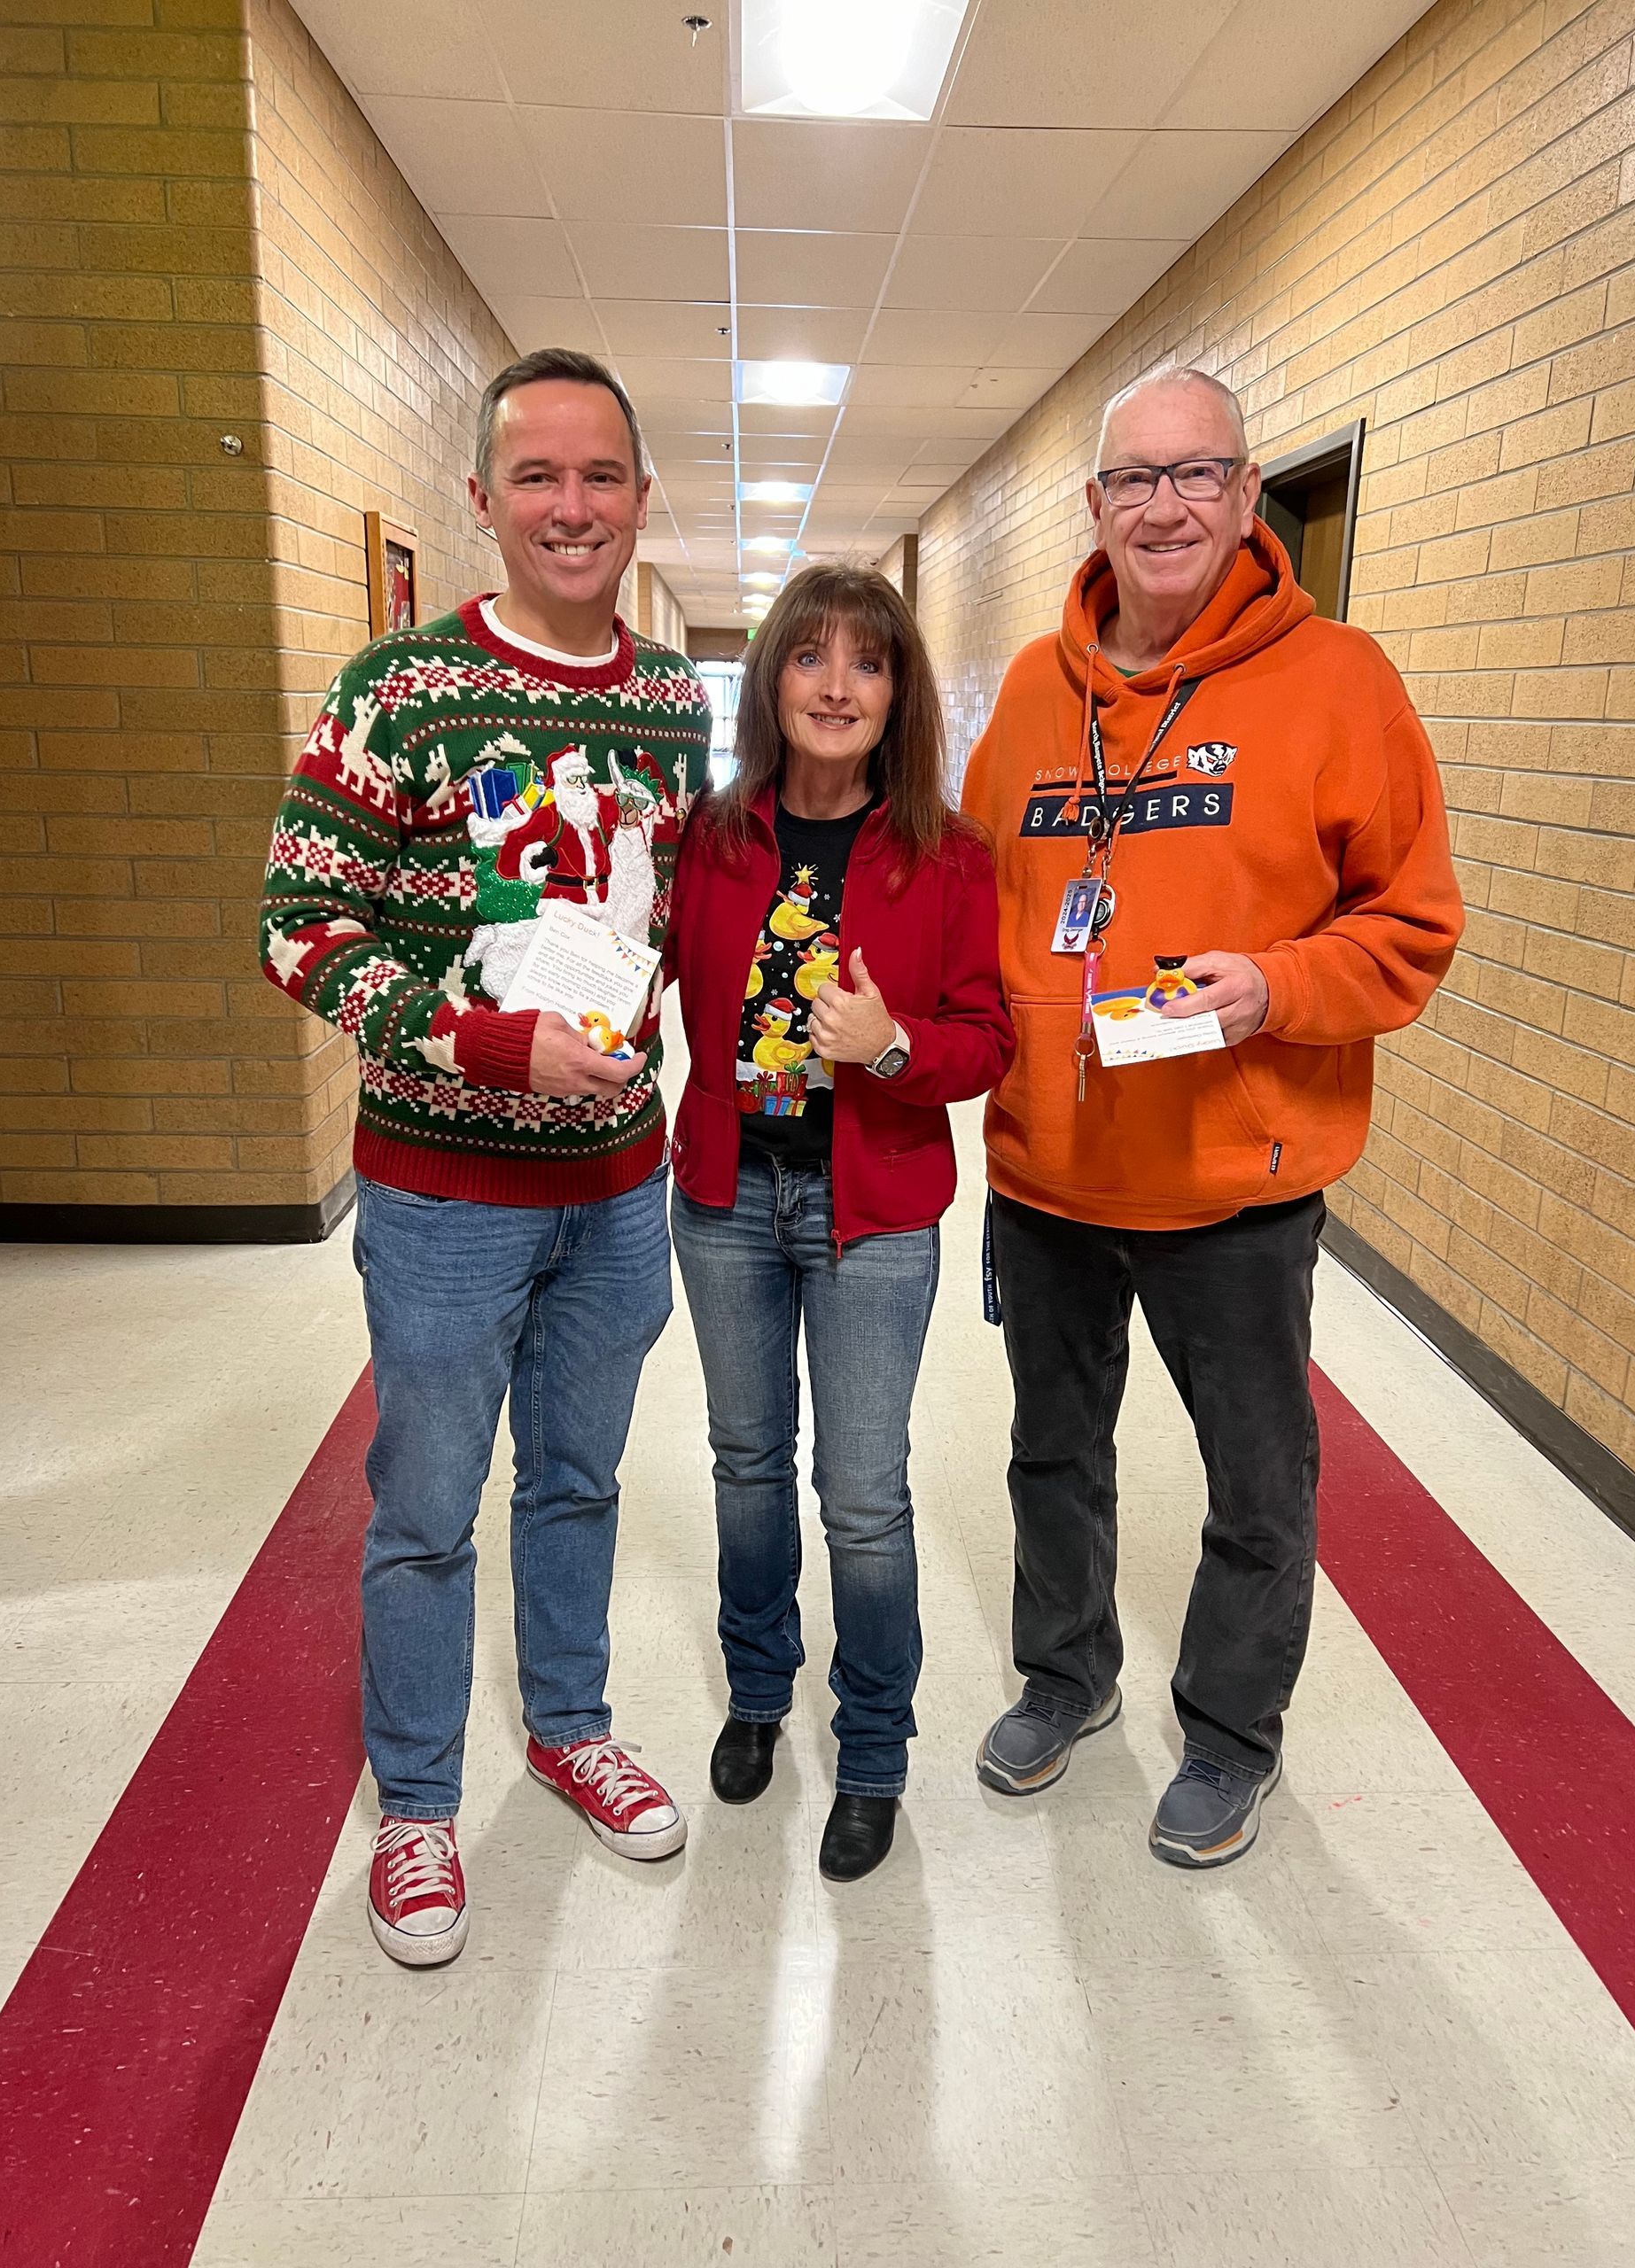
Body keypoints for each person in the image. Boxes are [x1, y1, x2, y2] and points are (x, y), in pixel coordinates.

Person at [963, 367, 1463, 1868]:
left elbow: (1416, 926)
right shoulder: (1038, 692)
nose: (1165, 506)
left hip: (1234, 1185)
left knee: (1258, 1479)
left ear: (1250, 501)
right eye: (1135, 480)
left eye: (1199, 476)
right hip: (1053, 1170)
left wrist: (1281, 987)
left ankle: (1234, 1733)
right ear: (1097, 505)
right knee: (1055, 1453)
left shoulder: (1342, 683)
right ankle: (1069, 1677)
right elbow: (974, 895)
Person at [259, 348, 712, 1965]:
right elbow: (298, 928)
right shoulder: (400, 691)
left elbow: (678, 919)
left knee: (580, 1481)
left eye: (601, 477)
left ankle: (568, 1722)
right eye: (538, 477)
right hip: (444, 1191)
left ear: (641, 499)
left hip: (617, 1190)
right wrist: (473, 1038)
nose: (572, 507)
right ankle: (419, 1806)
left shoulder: (669, 702)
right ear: (484, 500)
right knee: (429, 1502)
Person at [667, 563, 1013, 1882]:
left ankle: (872, 1750)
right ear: (770, 685)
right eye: (807, 658)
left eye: (865, 664)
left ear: (897, 694)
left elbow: (986, 1040)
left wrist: (889, 1047)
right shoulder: (715, 837)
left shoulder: (950, 854)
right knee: (746, 1461)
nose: (834, 685)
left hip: (871, 1215)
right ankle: (760, 1695)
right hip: (727, 1197)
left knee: (861, 1494)